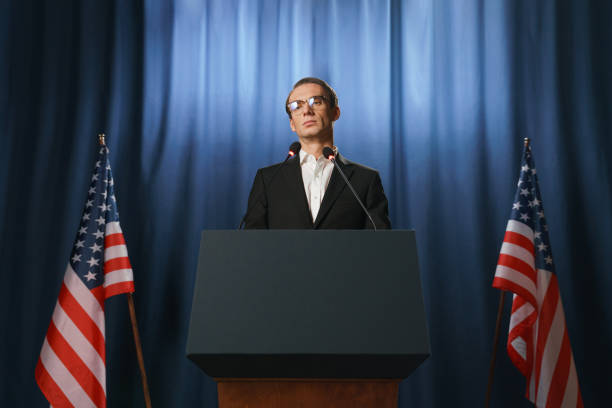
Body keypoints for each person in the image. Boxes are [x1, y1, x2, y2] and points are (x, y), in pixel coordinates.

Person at [243, 77, 391, 229]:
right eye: (297, 106)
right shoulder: (267, 180)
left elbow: (380, 246)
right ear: (292, 123)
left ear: (335, 112)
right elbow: (252, 245)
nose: (307, 111)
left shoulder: (366, 180)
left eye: (316, 102)